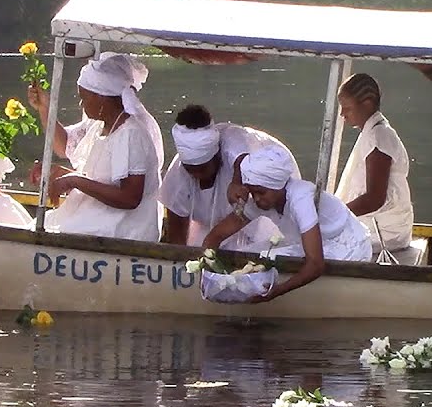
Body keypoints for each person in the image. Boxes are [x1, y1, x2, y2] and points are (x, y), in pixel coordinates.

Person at [202, 145, 372, 302]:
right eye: (253, 192)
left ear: (278, 186)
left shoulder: (301, 198)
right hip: (308, 243)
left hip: (349, 246)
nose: (257, 198)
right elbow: (216, 235)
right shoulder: (260, 200)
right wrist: (210, 269)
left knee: (268, 259)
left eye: (261, 192)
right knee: (247, 254)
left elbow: (316, 264)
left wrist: (276, 293)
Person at [26, 52, 163, 241]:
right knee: (36, 226)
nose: (81, 104)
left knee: (44, 230)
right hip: (96, 220)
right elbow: (71, 152)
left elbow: (130, 197)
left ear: (103, 99)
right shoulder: (100, 125)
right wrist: (63, 174)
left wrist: (73, 180)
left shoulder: (131, 133)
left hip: (121, 231)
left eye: (85, 97)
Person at [160, 104, 298, 249]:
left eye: (202, 169)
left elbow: (242, 158)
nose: (197, 176)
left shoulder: (235, 142)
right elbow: (176, 219)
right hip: (211, 224)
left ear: (216, 155)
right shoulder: (179, 173)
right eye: (191, 170)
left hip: (259, 215)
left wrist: (236, 182)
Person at [333, 73, 414, 254]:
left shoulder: (379, 136)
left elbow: (374, 199)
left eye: (347, 108)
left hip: (386, 233)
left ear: (367, 104)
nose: (342, 114)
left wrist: (335, 214)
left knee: (315, 242)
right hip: (385, 225)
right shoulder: (373, 132)